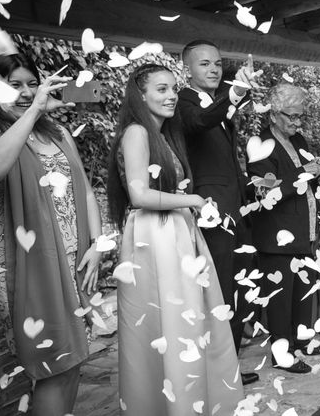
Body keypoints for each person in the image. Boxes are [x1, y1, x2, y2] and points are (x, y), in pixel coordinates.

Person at [107, 62, 243, 415]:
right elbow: (139, 194)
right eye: (161, 89)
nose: (171, 96)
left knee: (189, 321)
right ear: (141, 94)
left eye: (173, 88)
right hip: (155, 236)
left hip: (177, 232)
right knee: (169, 321)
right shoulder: (136, 132)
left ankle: (190, 400)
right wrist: (193, 200)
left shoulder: (164, 135)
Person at [0, 52, 102, 416]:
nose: (27, 92)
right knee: (53, 363)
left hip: (75, 258)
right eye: (15, 86)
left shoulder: (55, 132)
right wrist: (33, 110)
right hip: (27, 263)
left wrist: (98, 245)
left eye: (31, 83)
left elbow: (86, 190)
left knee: (74, 359)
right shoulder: (2, 132)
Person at [177, 40, 259, 385]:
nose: (213, 69)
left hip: (233, 206)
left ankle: (230, 365)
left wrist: (251, 187)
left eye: (217, 64)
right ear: (188, 70)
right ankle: (218, 369)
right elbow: (201, 123)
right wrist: (236, 92)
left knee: (239, 282)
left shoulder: (219, 103)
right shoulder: (184, 102)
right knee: (221, 285)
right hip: (211, 209)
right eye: (204, 64)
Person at [246, 82, 317, 373]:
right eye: (292, 116)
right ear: (274, 115)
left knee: (302, 292)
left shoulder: (299, 140)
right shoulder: (259, 145)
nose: (297, 122)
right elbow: (265, 192)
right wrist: (303, 174)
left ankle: (301, 343)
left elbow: (311, 179)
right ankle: (282, 355)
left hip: (303, 229)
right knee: (280, 299)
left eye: (301, 116)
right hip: (275, 235)